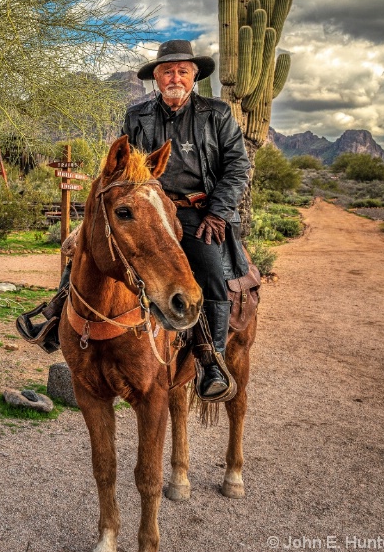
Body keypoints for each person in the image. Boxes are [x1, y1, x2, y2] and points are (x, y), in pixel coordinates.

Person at [17, 39, 251, 401]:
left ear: (194, 77)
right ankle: (55, 313)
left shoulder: (217, 114)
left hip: (196, 210)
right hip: (144, 206)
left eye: (183, 72)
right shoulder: (137, 116)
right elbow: (126, 167)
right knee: (87, 247)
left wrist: (219, 211)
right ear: (156, 78)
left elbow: (237, 166)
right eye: (167, 71)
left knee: (208, 267)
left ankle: (210, 358)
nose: (175, 77)